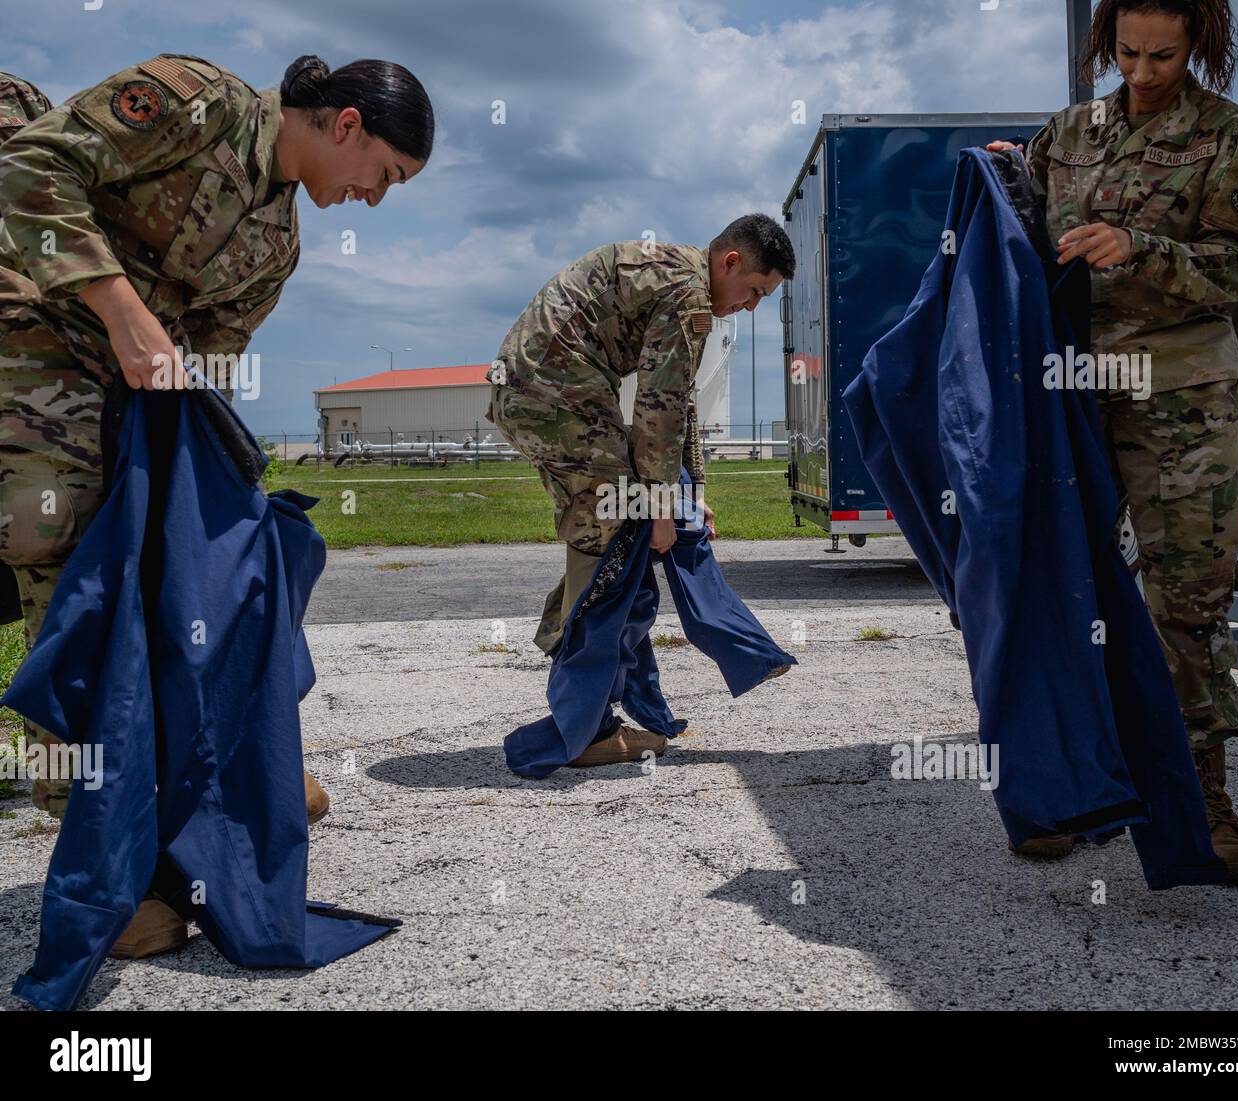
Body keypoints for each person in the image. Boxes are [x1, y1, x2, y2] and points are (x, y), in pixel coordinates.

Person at [0, 52, 435, 954]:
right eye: (384, 175)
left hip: (132, 393)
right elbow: (26, 169)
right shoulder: (195, 103)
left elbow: (208, 361)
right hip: (35, 335)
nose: (375, 198)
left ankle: (221, 789)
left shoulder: (278, 245)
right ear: (345, 124)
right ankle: (98, 876)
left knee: (207, 570)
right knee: (64, 554)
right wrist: (121, 311)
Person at [989, 0, 1238, 882]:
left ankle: (1203, 804)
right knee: (1061, 587)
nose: (1144, 73)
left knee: (1185, 597)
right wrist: (1008, 188)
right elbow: (1029, 245)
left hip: (1179, 391)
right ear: (1106, 41)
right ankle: (1070, 790)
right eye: (1128, 53)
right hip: (1072, 388)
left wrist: (1139, 248)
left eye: (1165, 56)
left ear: (1200, 47)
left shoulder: (1230, 135)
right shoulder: (1067, 132)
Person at [486, 214, 795, 764]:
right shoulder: (687, 295)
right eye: (754, 291)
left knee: (615, 537)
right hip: (555, 394)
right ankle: (585, 727)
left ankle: (597, 704)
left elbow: (679, 402)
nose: (751, 306)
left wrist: (690, 491)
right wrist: (659, 509)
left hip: (548, 390)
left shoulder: (683, 282)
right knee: (612, 537)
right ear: (730, 263)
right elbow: (659, 411)